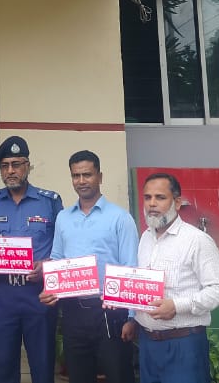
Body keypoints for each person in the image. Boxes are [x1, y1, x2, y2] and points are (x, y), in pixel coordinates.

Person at [39, 150, 139, 383]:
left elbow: (131, 266)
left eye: (87, 174)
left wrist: (132, 317)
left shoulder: (120, 218)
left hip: (110, 312)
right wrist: (50, 288)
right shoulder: (64, 218)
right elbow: (57, 258)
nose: (81, 181)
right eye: (76, 176)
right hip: (73, 311)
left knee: (119, 375)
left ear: (100, 177)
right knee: (79, 376)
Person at [122, 173, 219, 383]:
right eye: (147, 197)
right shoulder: (145, 238)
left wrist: (177, 306)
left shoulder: (197, 240)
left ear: (177, 202)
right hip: (148, 344)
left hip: (184, 344)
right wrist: (124, 303)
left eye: (160, 197)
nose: (152, 204)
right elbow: (143, 285)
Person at [0, 136, 63, 383]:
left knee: (42, 366)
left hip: (39, 295)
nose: (10, 171)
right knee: (4, 366)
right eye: (5, 166)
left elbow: (63, 249)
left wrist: (46, 265)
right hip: (2, 295)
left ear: (27, 166)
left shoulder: (49, 202)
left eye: (16, 164)